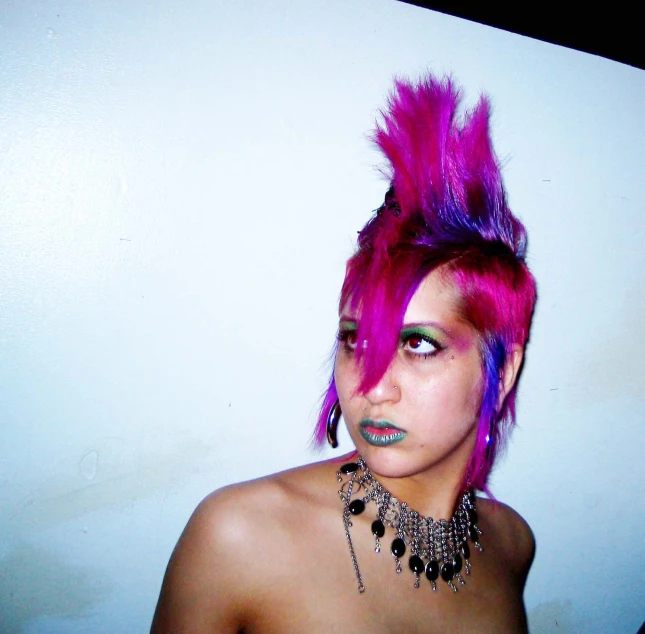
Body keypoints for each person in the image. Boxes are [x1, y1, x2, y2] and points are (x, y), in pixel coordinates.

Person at [150, 72, 537, 633]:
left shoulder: (511, 545)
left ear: (503, 374)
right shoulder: (239, 536)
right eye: (357, 341)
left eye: (420, 345)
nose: (371, 386)